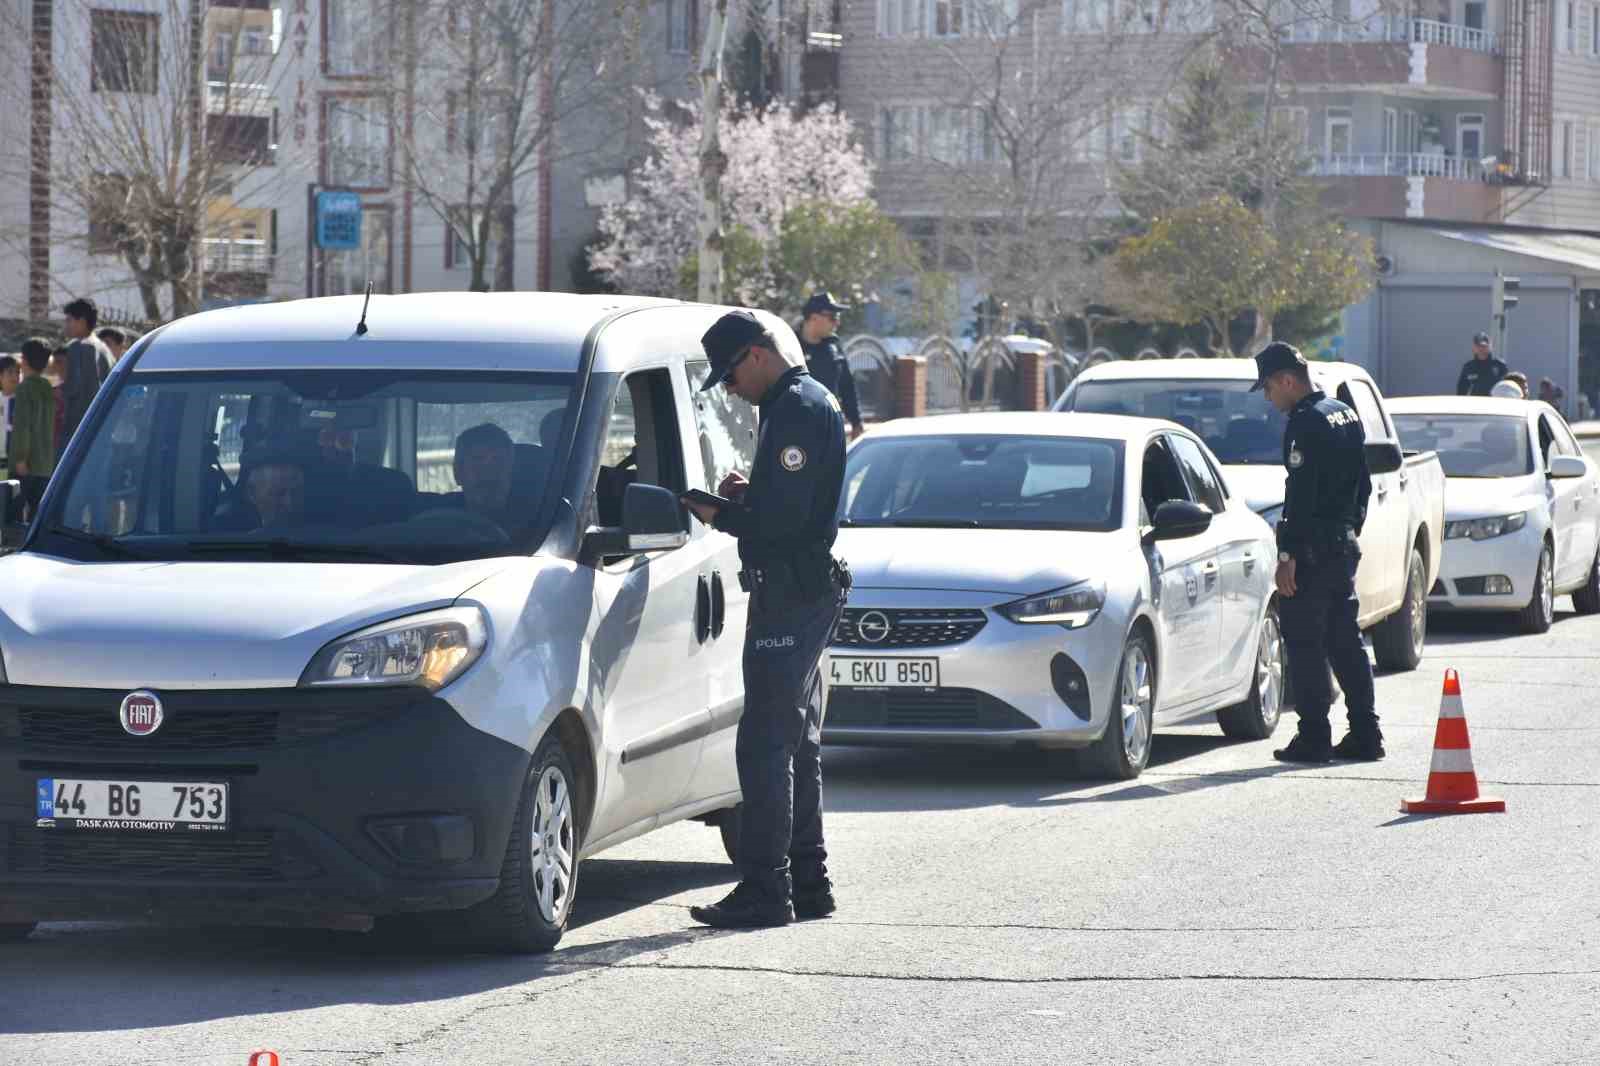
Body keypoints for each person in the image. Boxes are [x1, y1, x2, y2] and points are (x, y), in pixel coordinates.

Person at [682, 310, 851, 929]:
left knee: (764, 746)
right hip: (800, 591)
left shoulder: (798, 407)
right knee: (797, 744)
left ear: (756, 355)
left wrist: (716, 511)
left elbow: (783, 529)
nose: (730, 389)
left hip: (791, 594)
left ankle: (765, 889)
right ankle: (808, 881)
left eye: (730, 375)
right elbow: (791, 505)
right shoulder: (796, 403)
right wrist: (748, 494)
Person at [1252, 342, 1383, 763]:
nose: (1270, 400)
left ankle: (1313, 736)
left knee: (1305, 643)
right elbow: (1363, 484)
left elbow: (1301, 495)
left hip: (1312, 551)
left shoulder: (1305, 423)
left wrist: (1288, 554)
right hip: (1341, 546)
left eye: (1269, 389)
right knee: (1345, 641)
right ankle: (1366, 733)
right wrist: (1349, 528)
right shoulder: (1343, 413)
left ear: (1287, 380)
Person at [796, 292, 865, 441]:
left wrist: (856, 422)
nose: (837, 323)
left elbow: (847, 386)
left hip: (829, 427)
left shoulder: (833, 347)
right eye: (833, 318)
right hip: (797, 428)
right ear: (814, 318)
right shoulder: (790, 346)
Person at [9, 339, 58, 524]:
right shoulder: (47, 387)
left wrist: (21, 458)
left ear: (24, 360)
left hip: (26, 463)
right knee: (36, 515)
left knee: (14, 516)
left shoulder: (24, 389)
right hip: (45, 463)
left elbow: (23, 426)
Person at [61, 298, 113, 442]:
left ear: (82, 321)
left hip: (81, 427)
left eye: (69, 320)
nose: (66, 325)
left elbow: (84, 390)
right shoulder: (101, 347)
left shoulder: (83, 348)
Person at [450, 422, 518, 530]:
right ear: (458, 472)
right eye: (477, 459)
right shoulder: (434, 517)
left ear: (511, 471)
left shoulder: (539, 519)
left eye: (498, 461)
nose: (488, 471)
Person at [1455, 331, 1508, 396]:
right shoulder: (1468, 367)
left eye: (1484, 346)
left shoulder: (1499, 365)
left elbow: (1506, 387)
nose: (1481, 349)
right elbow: (1462, 389)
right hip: (1476, 403)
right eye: (1479, 346)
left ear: (1490, 347)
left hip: (1495, 402)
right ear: (1474, 348)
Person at [0, 355, 17, 479]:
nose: (15, 377)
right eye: (10, 372)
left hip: (15, 461)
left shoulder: (22, 401)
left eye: (17, 372)